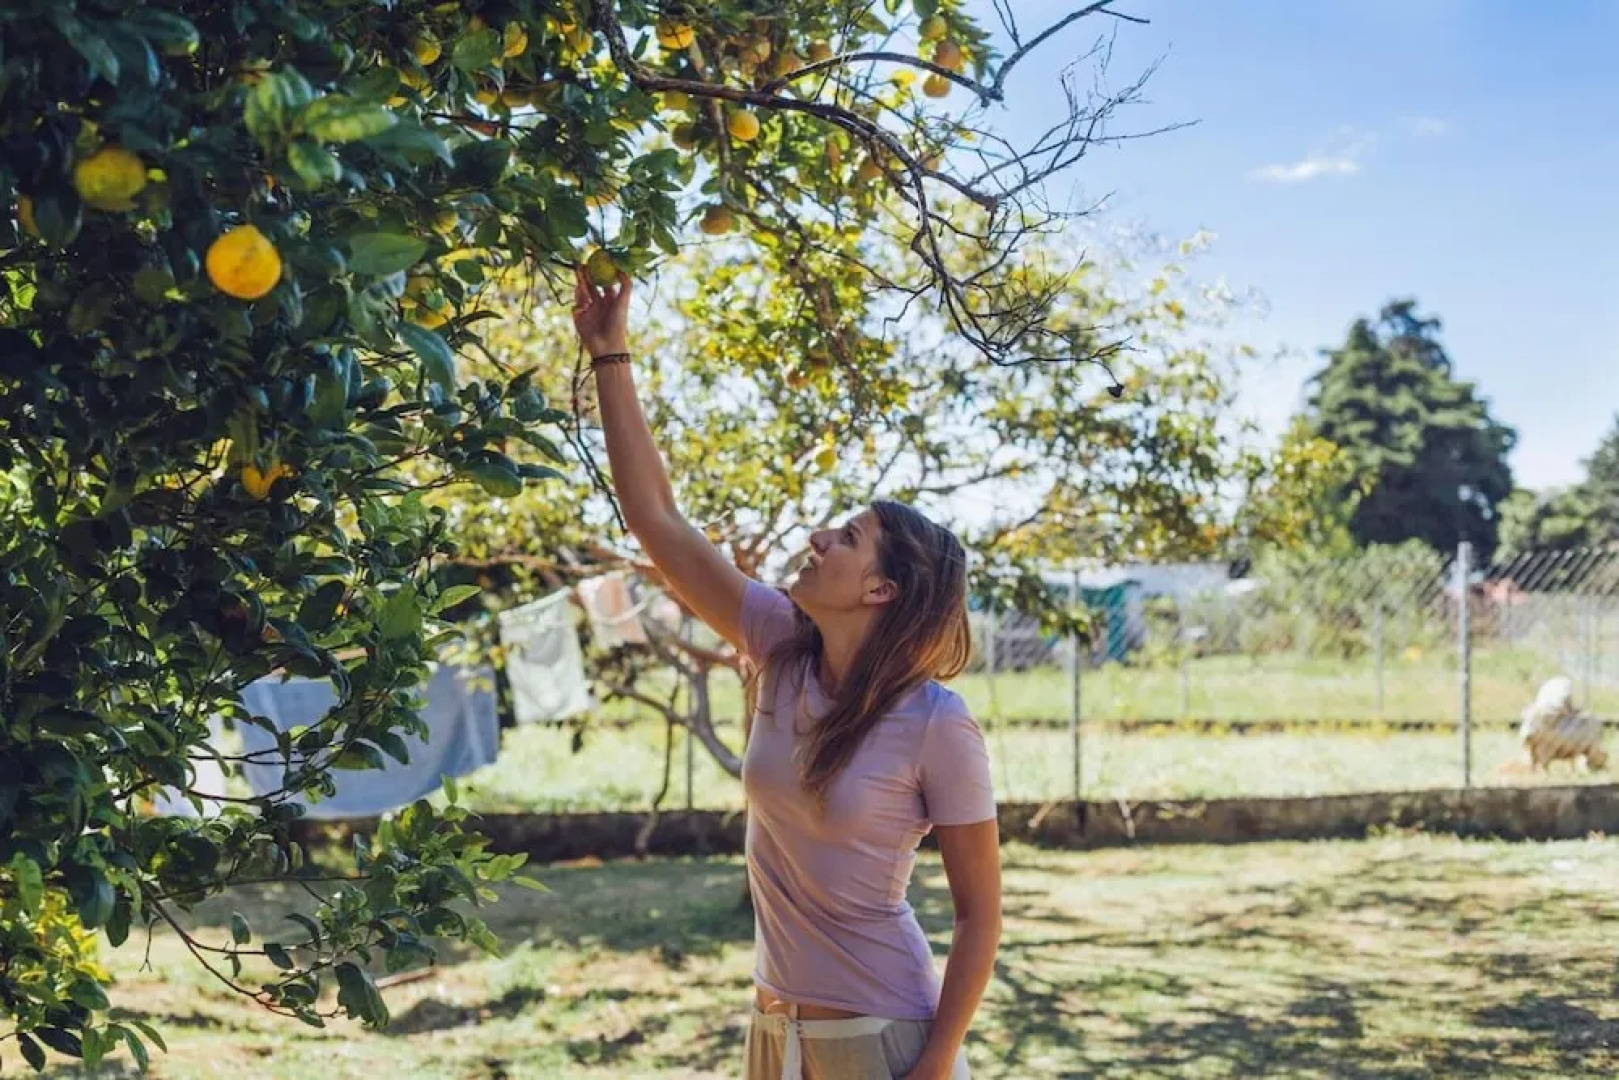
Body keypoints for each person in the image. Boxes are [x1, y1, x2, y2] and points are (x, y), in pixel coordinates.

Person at [572, 266, 1001, 1080]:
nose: (816, 538)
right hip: (769, 1031)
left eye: (844, 537)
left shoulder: (936, 723)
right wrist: (609, 355)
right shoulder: (778, 644)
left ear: (880, 589)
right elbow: (658, 520)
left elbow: (979, 914)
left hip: (882, 1036)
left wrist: (938, 1059)